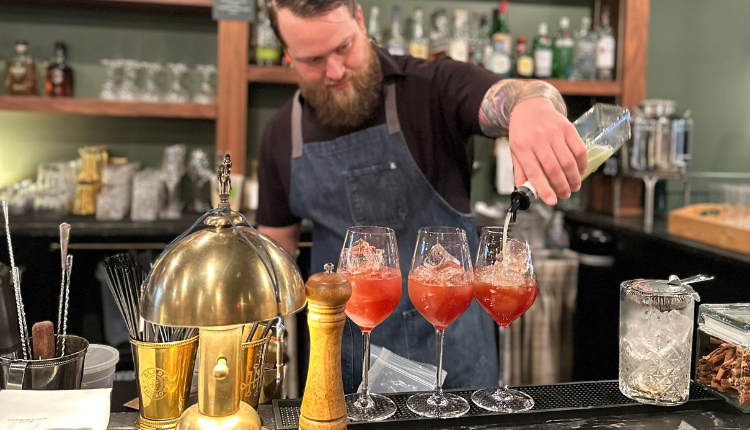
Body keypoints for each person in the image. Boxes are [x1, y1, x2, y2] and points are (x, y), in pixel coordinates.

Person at [257, 0, 587, 393]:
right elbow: (276, 265)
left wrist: (532, 104)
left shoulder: (432, 87)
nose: (335, 71)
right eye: (312, 60)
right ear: (288, 54)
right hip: (345, 369)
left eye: (344, 47)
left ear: (360, 21)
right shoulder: (281, 134)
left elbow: (515, 93)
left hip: (453, 366)